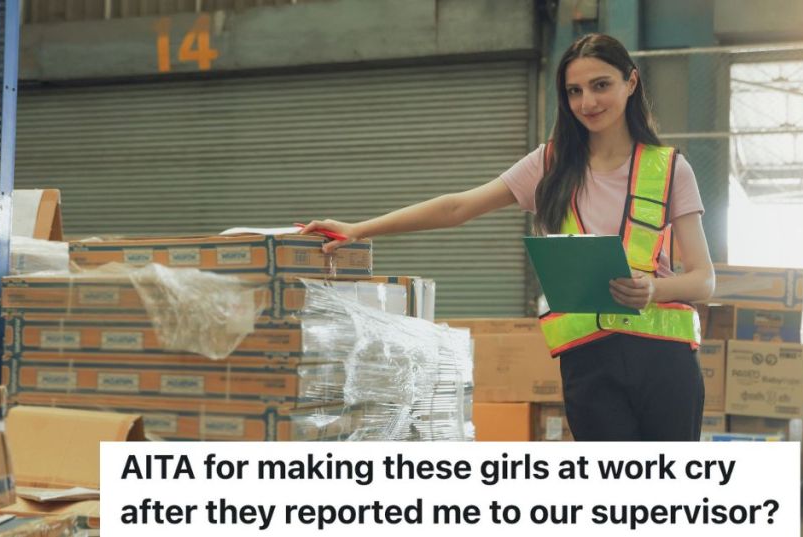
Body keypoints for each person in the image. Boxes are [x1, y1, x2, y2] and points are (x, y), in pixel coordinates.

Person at [300, 33, 715, 441]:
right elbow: (457, 207)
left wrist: (653, 289)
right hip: (588, 362)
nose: (587, 102)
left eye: (600, 85)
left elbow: (703, 279)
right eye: (574, 91)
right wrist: (360, 228)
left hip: (664, 359)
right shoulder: (549, 165)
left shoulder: (671, 168)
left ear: (631, 82)